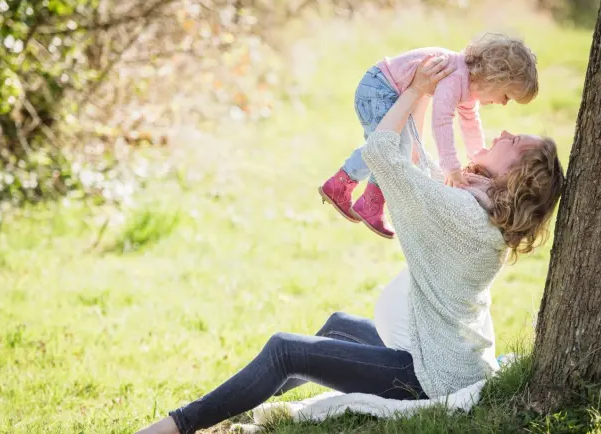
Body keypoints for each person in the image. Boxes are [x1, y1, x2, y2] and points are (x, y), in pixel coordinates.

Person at [137, 56, 563, 434]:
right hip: (433, 352)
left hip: (425, 374)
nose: (505, 131)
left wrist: (415, 89)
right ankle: (233, 407)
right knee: (337, 325)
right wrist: (423, 99)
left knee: (286, 349)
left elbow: (382, 151)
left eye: (515, 143)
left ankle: (178, 425)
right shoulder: (477, 206)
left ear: (516, 177)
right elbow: (423, 168)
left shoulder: (461, 214)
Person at [319, 33, 538, 239]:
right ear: (495, 77)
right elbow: (441, 121)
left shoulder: (468, 86)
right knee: (391, 147)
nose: (503, 103)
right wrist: (451, 167)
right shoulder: (455, 77)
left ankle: (348, 189)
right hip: (378, 89)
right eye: (507, 96)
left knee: (392, 147)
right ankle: (365, 199)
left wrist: (477, 156)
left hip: (385, 90)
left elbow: (470, 124)